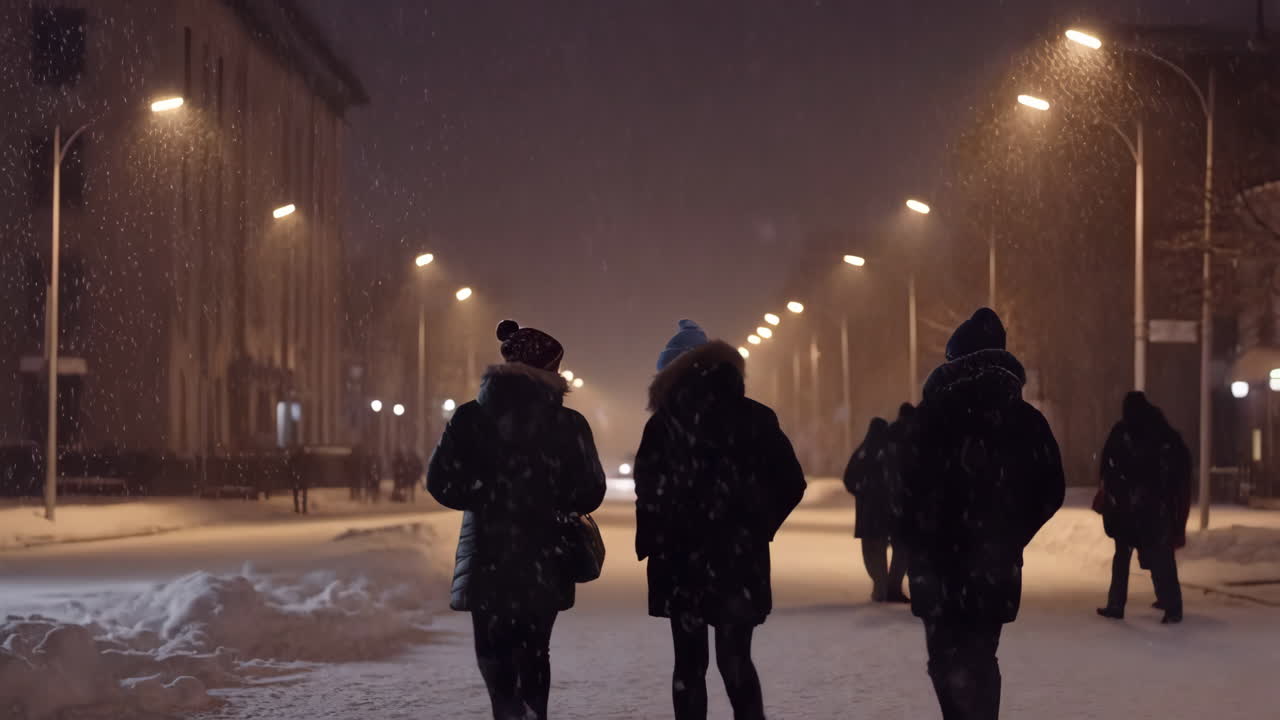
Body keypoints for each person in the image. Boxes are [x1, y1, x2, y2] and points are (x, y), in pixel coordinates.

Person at [427, 319, 606, 720]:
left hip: (487, 554)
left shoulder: (470, 418)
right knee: (534, 650)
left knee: (492, 652)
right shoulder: (568, 425)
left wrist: (488, 496)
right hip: (547, 554)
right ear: (552, 373)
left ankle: (507, 712)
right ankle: (531, 712)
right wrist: (548, 500)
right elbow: (591, 491)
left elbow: (440, 482)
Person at [898, 308, 1065, 720]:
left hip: (936, 566)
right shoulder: (1026, 421)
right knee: (981, 654)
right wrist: (1009, 533)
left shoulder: (928, 417)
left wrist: (920, 536)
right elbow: (1051, 490)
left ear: (953, 359)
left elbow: (901, 490)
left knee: (944, 657)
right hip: (994, 566)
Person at [635, 320, 806, 720]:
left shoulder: (664, 424)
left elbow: (648, 490)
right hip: (739, 561)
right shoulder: (756, 417)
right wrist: (756, 525)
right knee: (736, 660)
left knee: (689, 666)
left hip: (680, 561)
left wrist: (661, 536)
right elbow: (791, 482)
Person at [1094, 391, 1192, 624]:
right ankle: (1171, 606)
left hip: (1129, 507)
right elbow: (1179, 469)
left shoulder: (1124, 431)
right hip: (1151, 507)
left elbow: (1108, 466)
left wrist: (1116, 491)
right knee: (1160, 557)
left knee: (1126, 557)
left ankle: (1117, 604)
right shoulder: (1161, 431)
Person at [843, 416, 908, 603]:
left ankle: (880, 588)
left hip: (868, 512)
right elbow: (897, 480)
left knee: (872, 550)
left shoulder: (863, 452)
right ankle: (887, 587)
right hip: (887, 511)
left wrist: (861, 491)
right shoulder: (890, 454)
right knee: (885, 549)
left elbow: (849, 479)